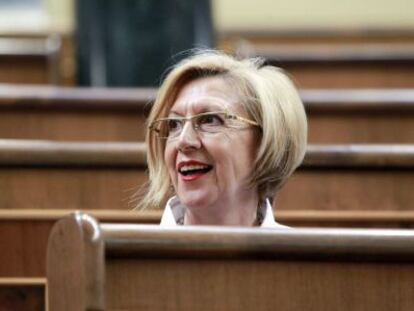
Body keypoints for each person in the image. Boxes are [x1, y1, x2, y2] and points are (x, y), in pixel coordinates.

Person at [139, 50, 307, 227]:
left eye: (209, 120)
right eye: (174, 124)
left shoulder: (307, 254)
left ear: (266, 140)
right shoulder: (122, 253)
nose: (183, 141)